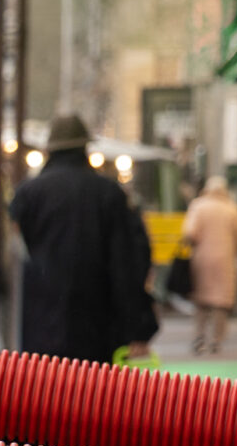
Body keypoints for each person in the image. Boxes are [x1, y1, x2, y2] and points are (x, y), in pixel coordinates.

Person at [10, 114, 159, 361]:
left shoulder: (29, 194)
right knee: (91, 395)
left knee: (45, 393)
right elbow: (128, 262)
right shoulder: (109, 194)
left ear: (50, 149)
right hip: (96, 321)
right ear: (85, 147)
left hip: (40, 319)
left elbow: (17, 250)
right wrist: (138, 326)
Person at [182, 175, 237, 354]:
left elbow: (190, 233)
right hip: (225, 260)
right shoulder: (232, 209)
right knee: (222, 302)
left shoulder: (198, 206)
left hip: (201, 260)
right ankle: (216, 340)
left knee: (201, 301)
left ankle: (199, 336)